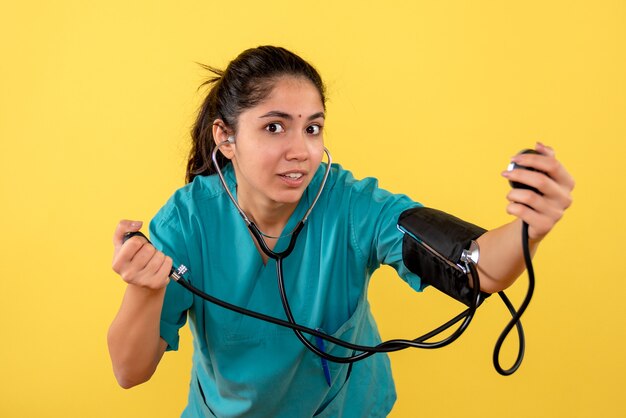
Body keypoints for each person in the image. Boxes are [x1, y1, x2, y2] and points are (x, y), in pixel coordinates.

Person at [107, 45, 575, 417]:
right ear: (225, 138)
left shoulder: (350, 203)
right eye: (274, 127)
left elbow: (474, 267)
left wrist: (528, 229)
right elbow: (130, 372)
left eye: (312, 129)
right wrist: (144, 290)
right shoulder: (188, 220)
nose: (301, 151)